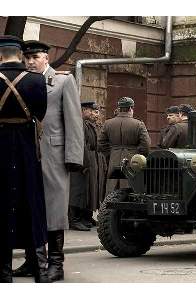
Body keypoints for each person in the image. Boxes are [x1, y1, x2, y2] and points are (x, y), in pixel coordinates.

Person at [13, 40, 84, 282]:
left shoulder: (63, 81)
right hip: (27, 154)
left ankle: (56, 263)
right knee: (28, 205)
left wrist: (74, 157)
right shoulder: (22, 81)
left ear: (46, 57)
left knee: (54, 209)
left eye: (36, 57)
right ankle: (33, 260)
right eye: (27, 57)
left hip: (54, 155)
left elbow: (74, 121)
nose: (31, 62)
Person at [0, 35, 49, 283]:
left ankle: (3, 272)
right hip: (26, 147)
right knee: (31, 201)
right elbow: (40, 113)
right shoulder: (36, 80)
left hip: (0, 146)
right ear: (20, 55)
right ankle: (41, 268)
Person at [98, 97, 151, 195]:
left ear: (119, 108)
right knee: (131, 188)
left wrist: (111, 153)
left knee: (112, 188)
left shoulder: (108, 123)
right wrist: (137, 154)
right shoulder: (139, 124)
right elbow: (146, 145)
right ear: (131, 108)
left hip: (113, 158)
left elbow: (101, 143)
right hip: (133, 161)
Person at [69, 101, 99, 231]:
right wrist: (85, 163)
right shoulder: (79, 123)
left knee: (84, 191)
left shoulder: (87, 124)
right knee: (76, 191)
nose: (93, 113)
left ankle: (82, 217)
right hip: (79, 162)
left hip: (86, 161)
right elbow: (82, 145)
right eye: (90, 110)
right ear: (83, 110)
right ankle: (74, 219)